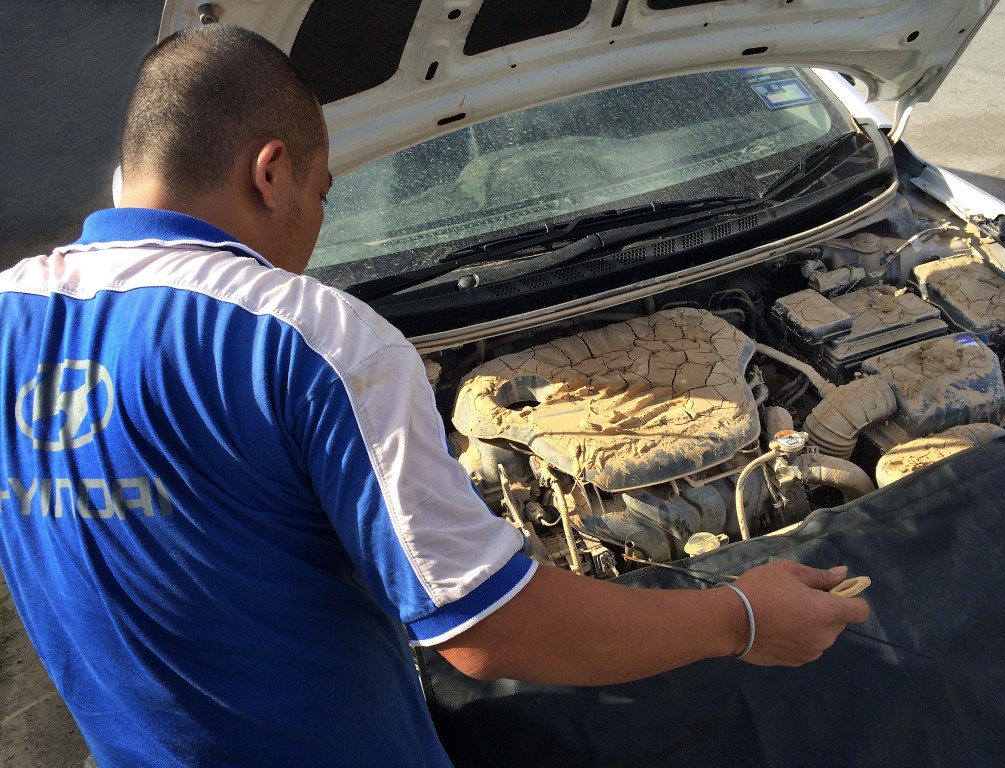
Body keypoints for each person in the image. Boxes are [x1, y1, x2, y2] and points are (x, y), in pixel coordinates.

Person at [0, 23, 869, 767]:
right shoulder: (310, 337)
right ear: (271, 173)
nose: (313, 227)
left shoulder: (10, 311)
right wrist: (741, 618)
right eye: (322, 194)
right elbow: (489, 632)